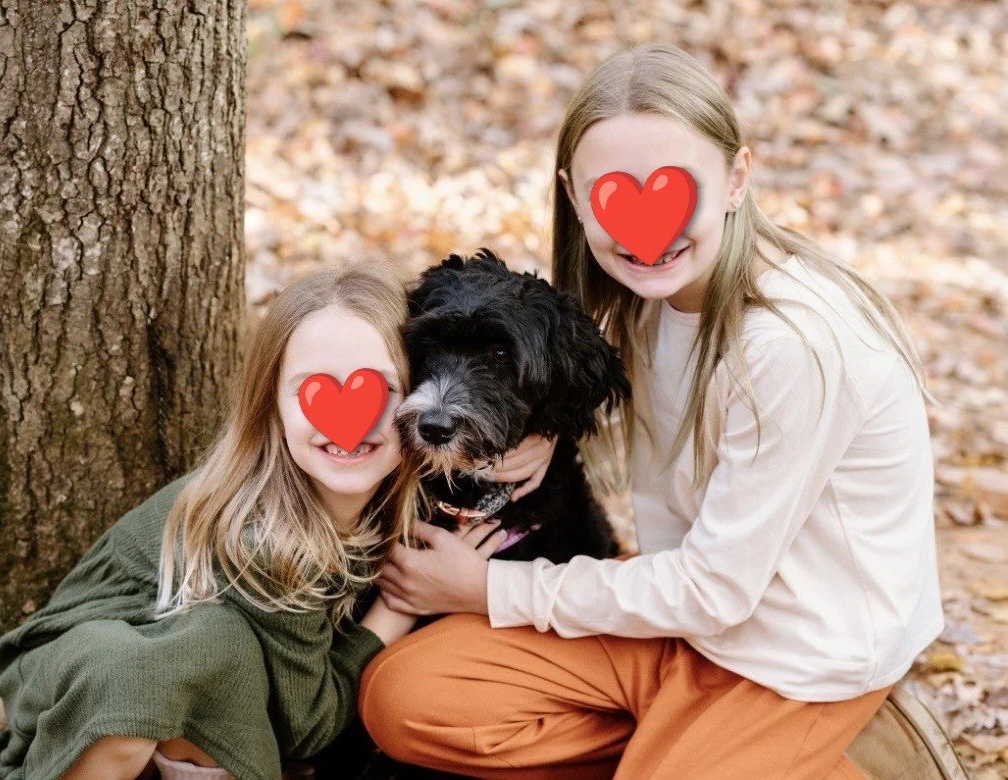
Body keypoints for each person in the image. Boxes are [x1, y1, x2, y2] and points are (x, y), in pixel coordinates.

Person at [360, 42, 948, 779]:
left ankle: (843, 757)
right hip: (683, 629)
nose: (649, 231)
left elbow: (715, 589)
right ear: (575, 198)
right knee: (405, 698)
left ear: (736, 179)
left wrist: (487, 589)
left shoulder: (790, 344)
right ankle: (683, 746)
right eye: (613, 195)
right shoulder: (653, 296)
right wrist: (543, 432)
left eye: (676, 189)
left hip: (797, 658)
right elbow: (609, 397)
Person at [0, 260, 508, 780]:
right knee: (190, 656)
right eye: (312, 389)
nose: (350, 422)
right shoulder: (266, 536)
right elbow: (308, 725)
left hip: (178, 672)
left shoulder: (411, 494)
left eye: (382, 389)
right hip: (81, 675)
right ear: (271, 406)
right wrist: (398, 607)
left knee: (218, 652)